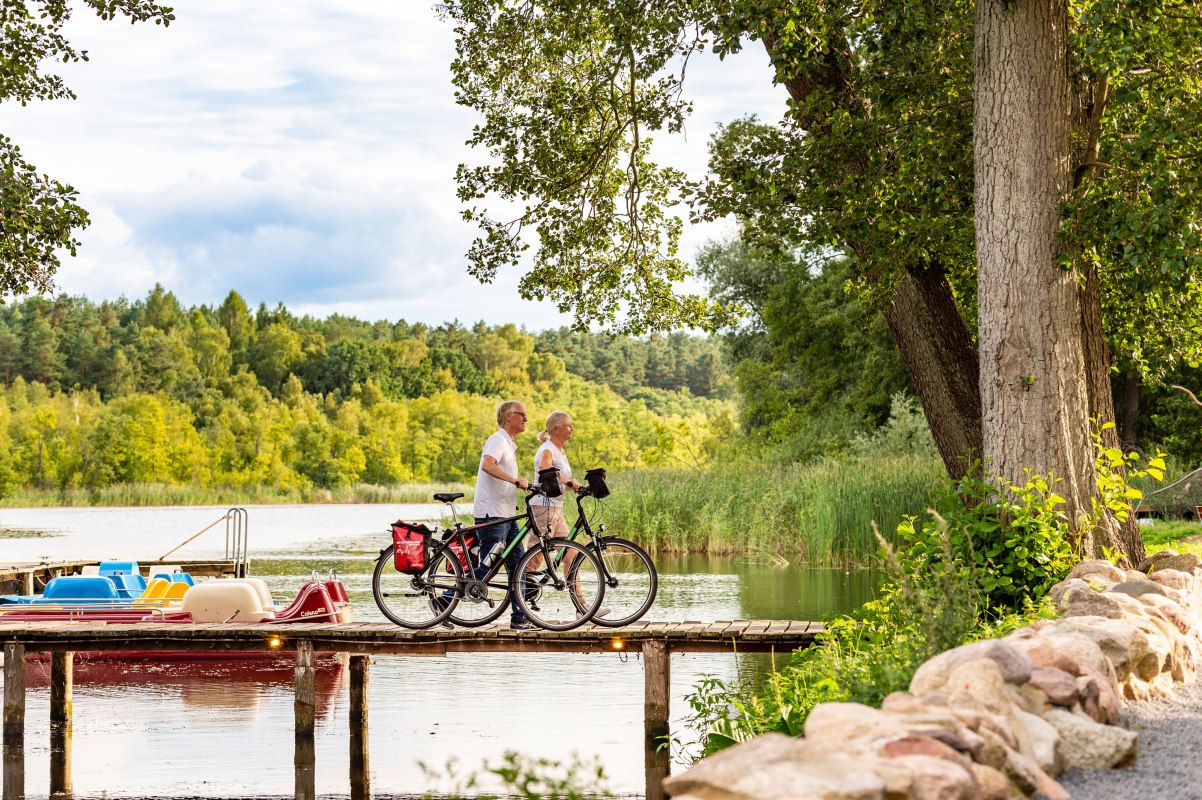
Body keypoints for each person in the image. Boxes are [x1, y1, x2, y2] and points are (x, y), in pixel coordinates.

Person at [472, 399, 534, 630]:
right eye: (522, 414)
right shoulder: (497, 440)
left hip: (506, 515)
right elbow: (487, 465)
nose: (526, 418)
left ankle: (520, 618)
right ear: (508, 416)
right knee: (489, 566)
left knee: (519, 564)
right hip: (492, 515)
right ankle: (444, 598)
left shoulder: (509, 444)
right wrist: (515, 480)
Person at [530, 410, 582, 541]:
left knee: (570, 555)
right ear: (557, 429)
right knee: (536, 557)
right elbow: (544, 466)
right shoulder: (547, 448)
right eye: (569, 426)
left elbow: (556, 479)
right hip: (544, 507)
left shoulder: (560, 450)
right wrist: (567, 481)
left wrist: (573, 486)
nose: (572, 429)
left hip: (556, 507)